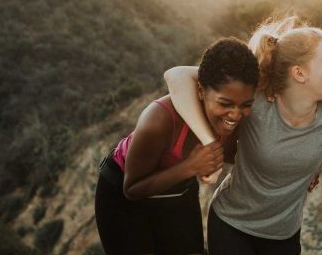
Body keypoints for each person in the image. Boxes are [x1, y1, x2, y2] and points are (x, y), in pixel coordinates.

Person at [164, 16, 322, 255]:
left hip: (284, 235)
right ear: (299, 73)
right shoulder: (258, 99)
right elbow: (176, 76)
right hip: (232, 224)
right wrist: (210, 144)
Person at [94, 38, 259, 255]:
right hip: (122, 194)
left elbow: (242, 156)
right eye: (225, 103)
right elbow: (132, 189)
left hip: (178, 189)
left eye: (245, 105)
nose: (236, 114)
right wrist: (191, 166)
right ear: (200, 90)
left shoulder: (233, 121)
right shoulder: (159, 120)